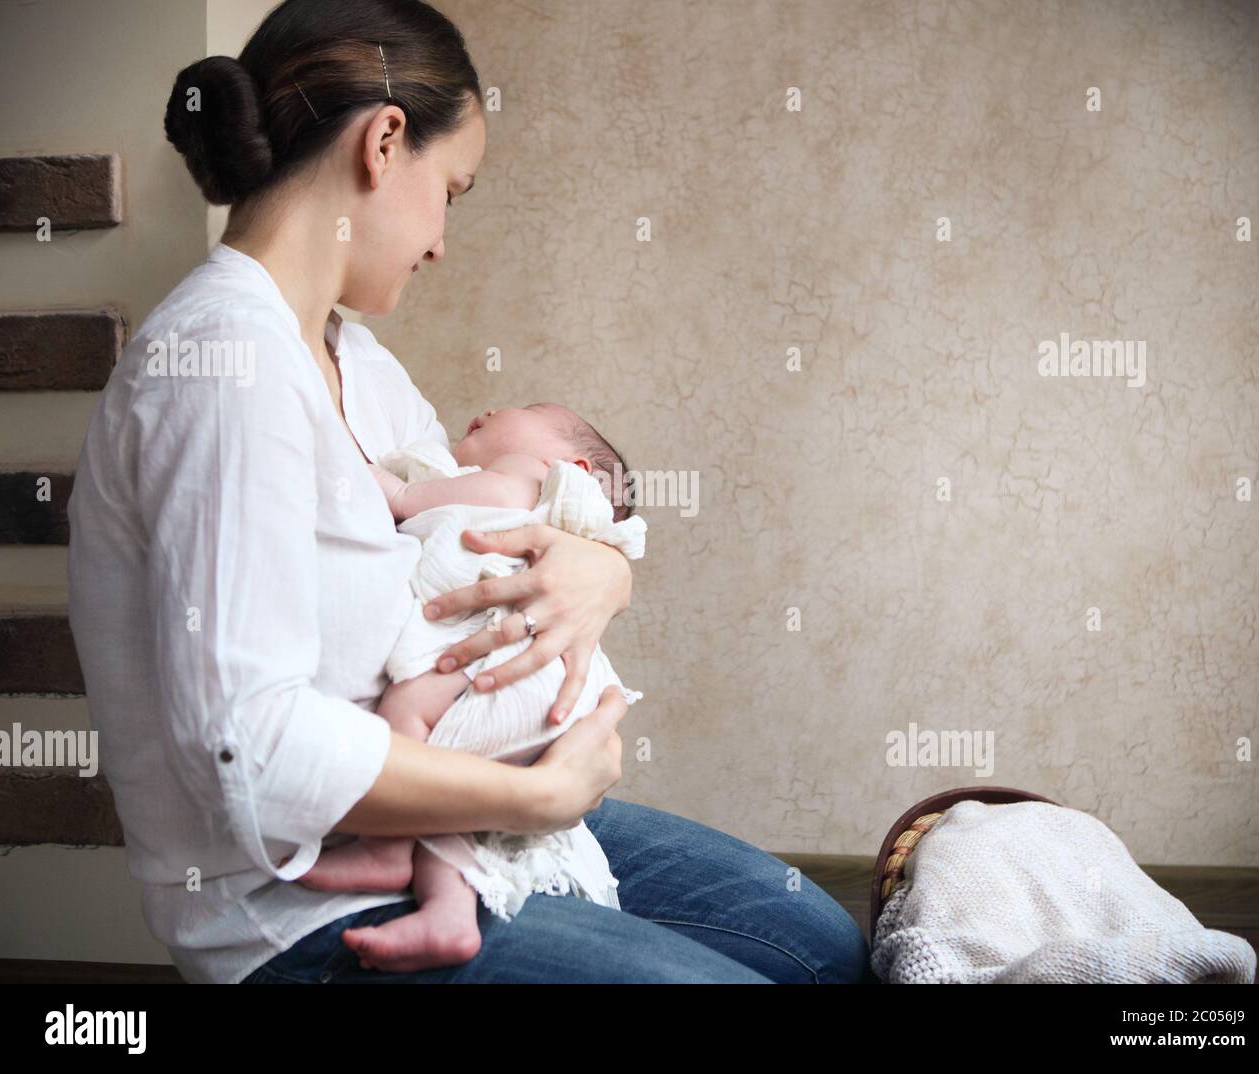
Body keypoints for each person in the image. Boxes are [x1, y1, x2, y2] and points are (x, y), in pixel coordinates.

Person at [66, 0, 868, 984]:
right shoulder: (220, 371)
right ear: (385, 141)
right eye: (452, 189)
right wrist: (533, 799)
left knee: (823, 948)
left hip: (468, 815)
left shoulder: (357, 364)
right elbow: (249, 750)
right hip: (307, 907)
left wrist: (600, 571)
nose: (442, 240)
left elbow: (478, 528)